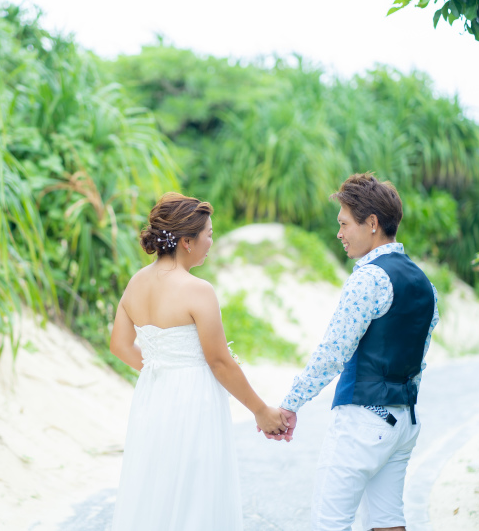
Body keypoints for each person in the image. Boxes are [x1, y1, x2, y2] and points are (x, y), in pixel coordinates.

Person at [266, 173, 440, 531]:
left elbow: (333, 352)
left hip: (364, 420)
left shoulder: (369, 277)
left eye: (344, 224)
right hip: (404, 421)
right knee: (388, 520)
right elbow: (417, 357)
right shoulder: (425, 283)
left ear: (372, 224)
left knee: (330, 523)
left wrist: (289, 405)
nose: (339, 234)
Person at [109, 192, 288, 531]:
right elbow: (220, 362)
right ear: (187, 241)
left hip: (153, 396)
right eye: (208, 234)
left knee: (155, 488)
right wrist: (262, 411)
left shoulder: (136, 283)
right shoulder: (197, 290)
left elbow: (119, 344)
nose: (211, 240)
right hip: (193, 401)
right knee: (195, 493)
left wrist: (159, 368)